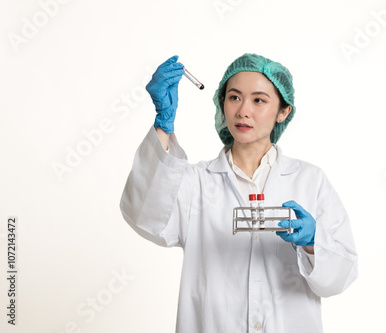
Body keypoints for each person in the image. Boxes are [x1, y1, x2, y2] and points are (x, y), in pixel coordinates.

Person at [120, 53, 358, 333]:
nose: (243, 110)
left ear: (284, 111)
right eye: (234, 97)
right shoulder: (195, 183)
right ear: (222, 104)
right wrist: (163, 125)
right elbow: (146, 216)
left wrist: (313, 242)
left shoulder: (310, 181)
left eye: (259, 100)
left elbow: (341, 277)